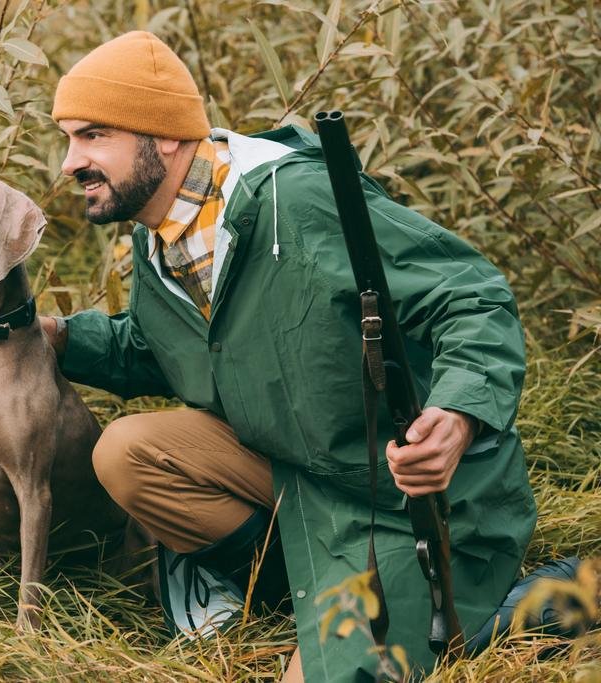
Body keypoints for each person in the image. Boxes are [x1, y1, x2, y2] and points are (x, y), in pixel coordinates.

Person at [37, 31, 567, 682]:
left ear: (164, 135)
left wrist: (456, 416)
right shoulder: (160, 240)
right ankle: (306, 595)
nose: (70, 161)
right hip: (300, 473)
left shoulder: (302, 201)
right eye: (69, 137)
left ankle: (536, 603)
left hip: (410, 497)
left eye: (92, 135)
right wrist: (58, 336)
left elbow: (469, 295)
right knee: (128, 452)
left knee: (334, 675)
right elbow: (168, 349)